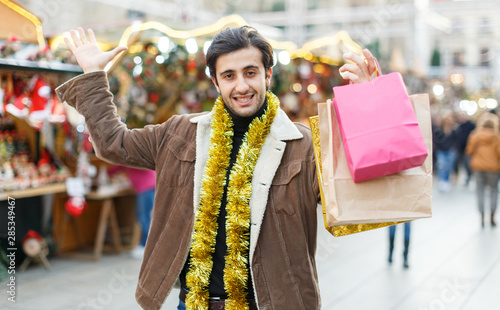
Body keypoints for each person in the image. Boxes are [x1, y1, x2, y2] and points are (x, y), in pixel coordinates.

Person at [56, 26, 379, 310]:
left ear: (267, 75)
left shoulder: (304, 145)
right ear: (215, 82)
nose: (241, 86)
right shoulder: (180, 133)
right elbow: (113, 143)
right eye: (229, 76)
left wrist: (369, 104)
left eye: (250, 72)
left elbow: (358, 196)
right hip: (193, 302)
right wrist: (93, 77)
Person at [108, 166, 156, 258]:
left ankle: (145, 246)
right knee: (143, 217)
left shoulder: (135, 158)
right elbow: (117, 167)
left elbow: (146, 166)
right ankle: (145, 245)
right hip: (144, 188)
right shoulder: (126, 160)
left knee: (143, 218)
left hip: (146, 187)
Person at [465, 113, 500, 228]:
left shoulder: (475, 135)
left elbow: (469, 151)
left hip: (478, 166)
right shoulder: (496, 136)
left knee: (480, 191)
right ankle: (492, 214)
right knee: (493, 191)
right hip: (493, 167)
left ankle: (481, 215)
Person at [433, 112, 458, 192]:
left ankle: (446, 180)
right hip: (441, 150)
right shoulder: (439, 131)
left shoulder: (454, 131)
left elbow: (457, 140)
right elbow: (436, 140)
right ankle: (442, 181)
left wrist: (454, 147)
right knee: (442, 166)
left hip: (451, 151)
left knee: (449, 166)